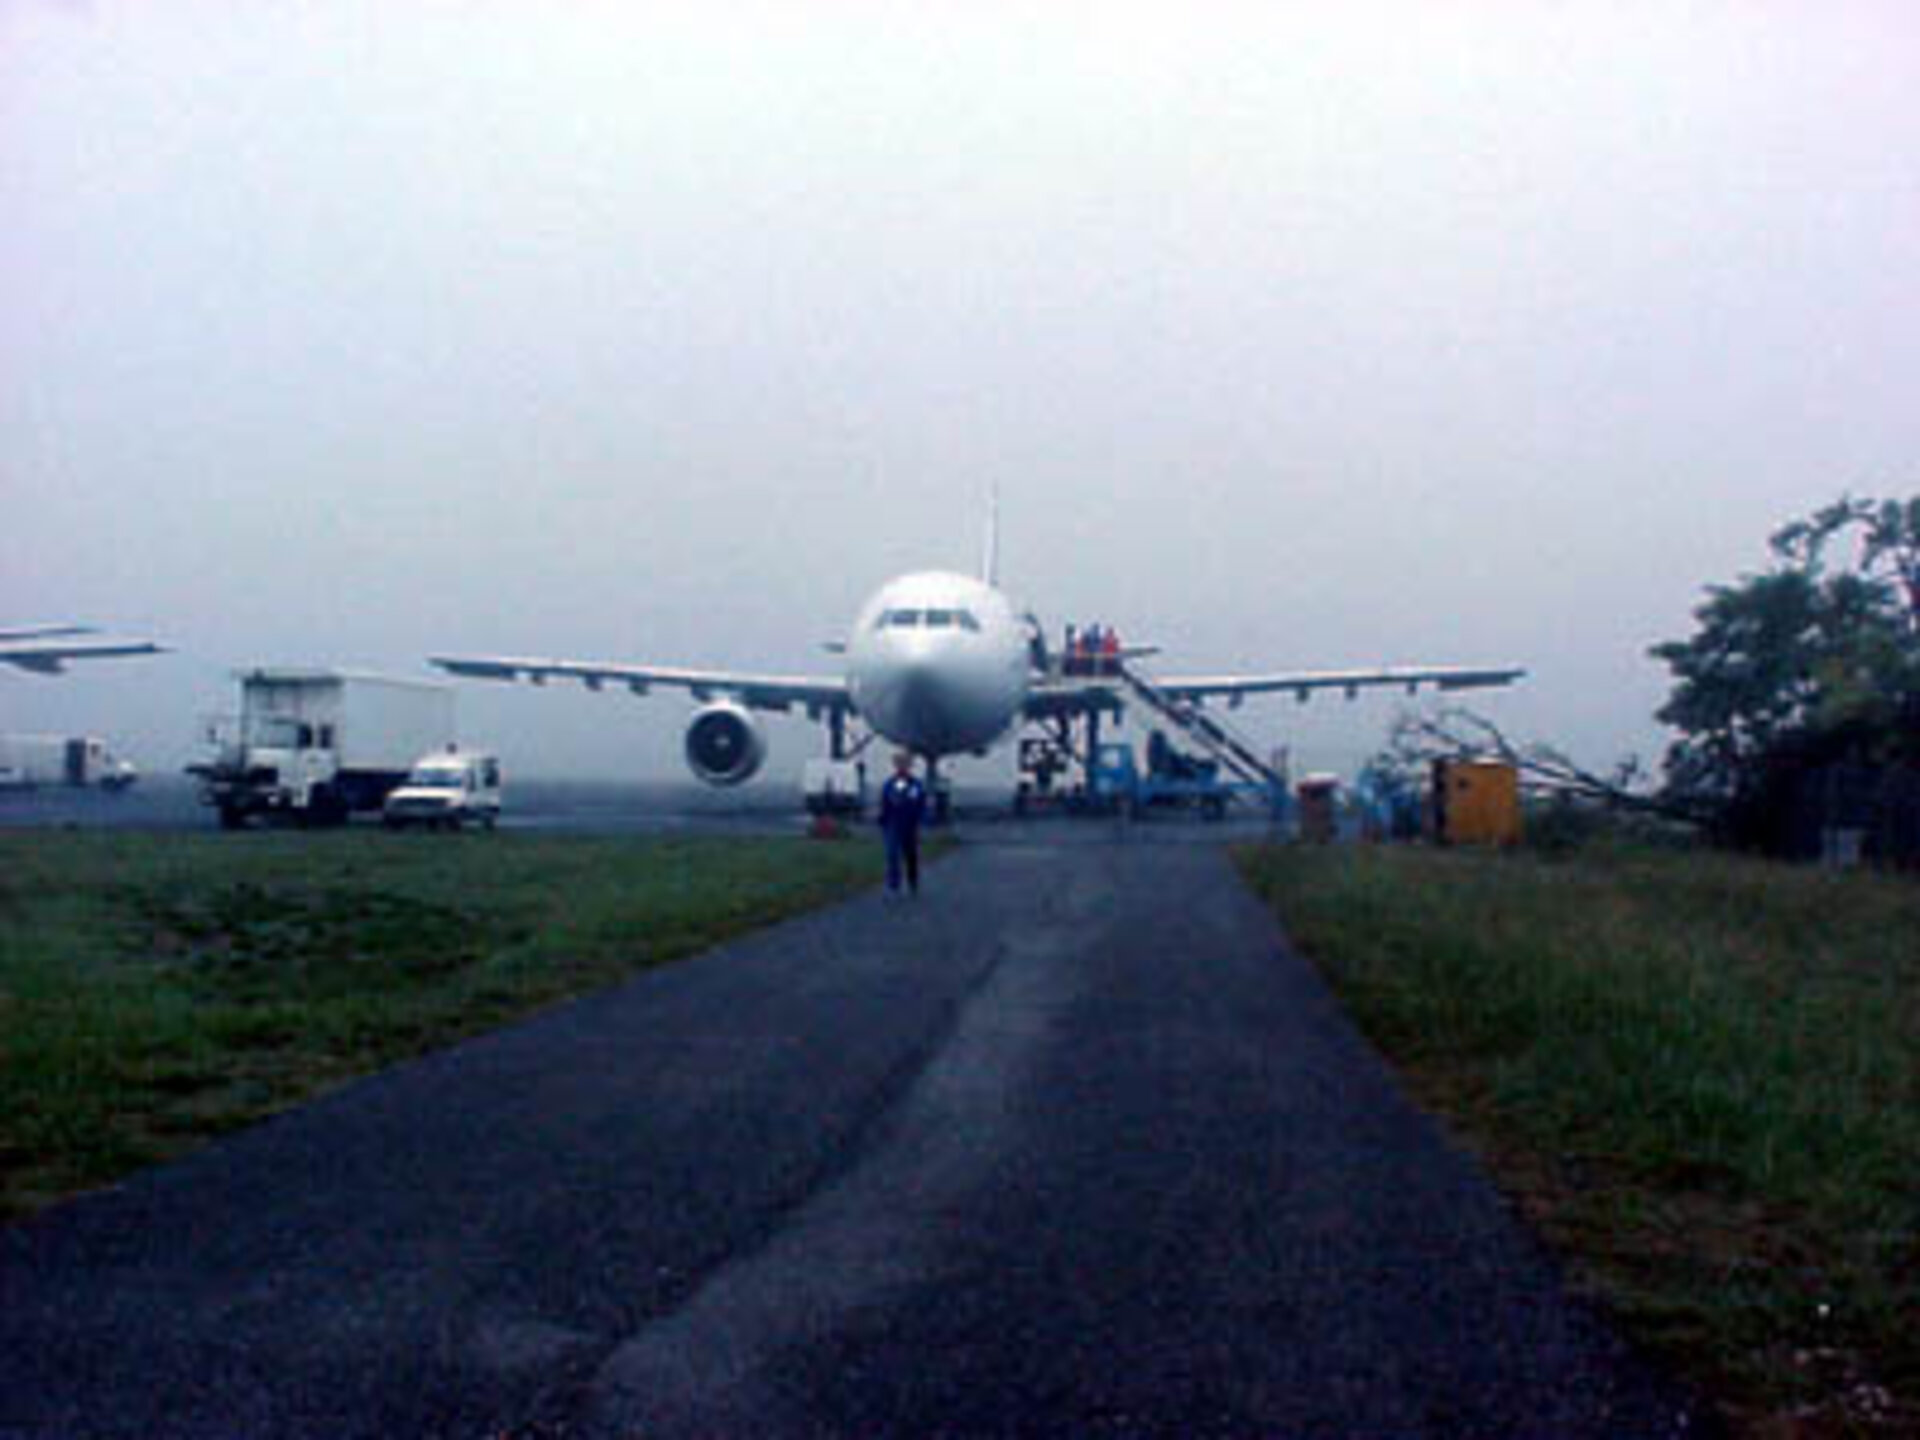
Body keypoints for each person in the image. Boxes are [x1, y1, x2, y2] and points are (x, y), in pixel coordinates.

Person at [877, 749, 928, 895]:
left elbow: (917, 802)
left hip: (910, 824)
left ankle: (912, 881)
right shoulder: (890, 783)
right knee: (892, 854)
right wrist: (882, 818)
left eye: (904, 763)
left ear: (909, 765)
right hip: (893, 823)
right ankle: (894, 883)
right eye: (899, 763)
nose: (901, 766)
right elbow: (886, 802)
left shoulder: (915, 784)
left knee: (910, 855)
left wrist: (920, 818)